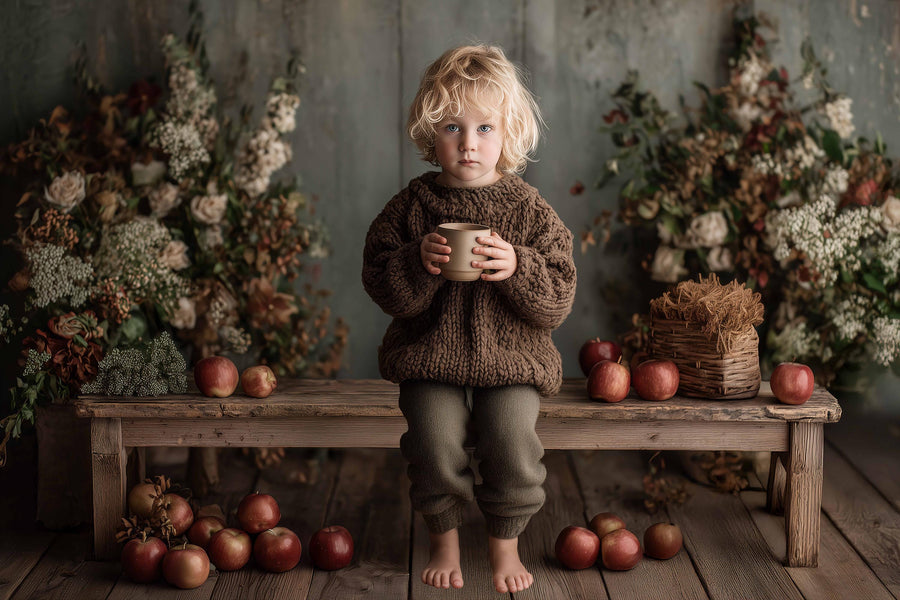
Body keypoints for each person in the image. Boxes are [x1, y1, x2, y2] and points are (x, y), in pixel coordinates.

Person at [361, 44, 576, 594]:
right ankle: (445, 538)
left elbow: (558, 295)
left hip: (512, 362)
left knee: (510, 439)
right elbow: (381, 281)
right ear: (431, 133)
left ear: (509, 135)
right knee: (433, 437)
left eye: (485, 128)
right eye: (453, 127)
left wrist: (517, 266)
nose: (469, 143)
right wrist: (418, 261)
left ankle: (505, 543)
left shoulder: (528, 210)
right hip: (430, 358)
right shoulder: (412, 207)